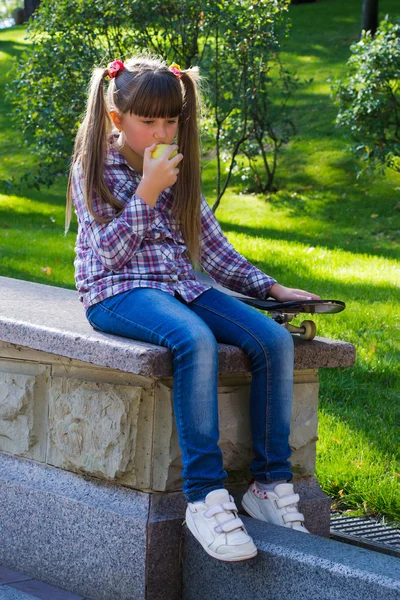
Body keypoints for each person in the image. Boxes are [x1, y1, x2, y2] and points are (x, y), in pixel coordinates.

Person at [65, 55, 320, 563]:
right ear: (118, 120)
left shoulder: (179, 169)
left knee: (272, 339)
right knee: (194, 339)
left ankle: (268, 484)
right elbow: (109, 254)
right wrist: (146, 190)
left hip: (179, 285)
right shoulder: (92, 168)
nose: (162, 130)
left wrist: (270, 289)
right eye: (149, 121)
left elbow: (211, 245)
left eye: (171, 120)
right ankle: (203, 495)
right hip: (117, 293)